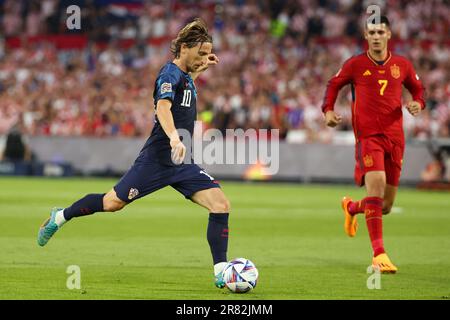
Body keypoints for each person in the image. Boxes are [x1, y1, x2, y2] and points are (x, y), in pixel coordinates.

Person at [37, 19, 231, 288]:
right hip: (157, 159)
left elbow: (184, 91)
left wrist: (201, 67)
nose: (202, 58)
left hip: (181, 162)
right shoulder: (169, 74)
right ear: (184, 48)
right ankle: (61, 216)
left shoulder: (185, 76)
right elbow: (163, 108)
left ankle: (221, 271)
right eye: (199, 53)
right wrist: (175, 137)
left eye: (205, 54)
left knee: (220, 204)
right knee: (112, 203)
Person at [321, 16, 425, 273]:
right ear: (366, 36)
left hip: (395, 139)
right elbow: (334, 85)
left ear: (389, 34)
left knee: (385, 205)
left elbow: (419, 90)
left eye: (380, 31)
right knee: (375, 188)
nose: (376, 36)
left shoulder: (402, 64)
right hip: (369, 137)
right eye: (371, 32)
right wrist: (328, 112)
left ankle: (352, 207)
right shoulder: (355, 64)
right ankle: (379, 254)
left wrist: (417, 104)